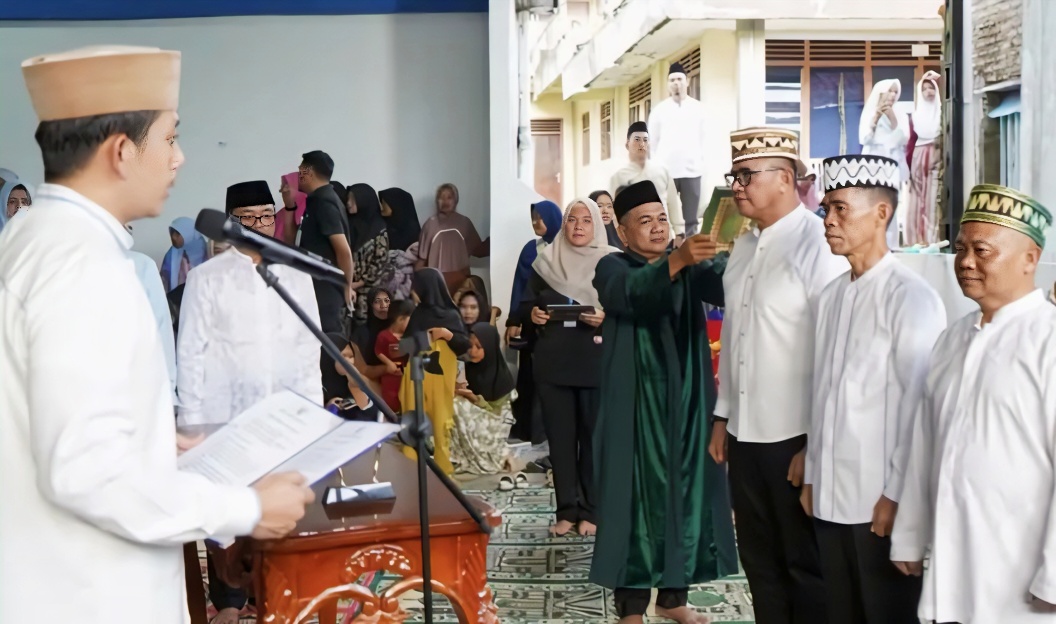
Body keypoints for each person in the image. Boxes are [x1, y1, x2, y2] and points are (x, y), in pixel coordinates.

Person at [0, 44, 313, 624]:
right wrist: (244, 507)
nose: (179, 159)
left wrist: (150, 440)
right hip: (89, 594)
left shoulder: (36, 238)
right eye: (170, 138)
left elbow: (41, 418)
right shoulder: (82, 264)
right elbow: (90, 474)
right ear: (121, 151)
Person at [891, 184, 1056, 624]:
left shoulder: (1049, 341)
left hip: (1026, 579)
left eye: (983, 250)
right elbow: (924, 446)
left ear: (1030, 259)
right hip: (953, 561)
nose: (966, 262)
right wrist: (909, 536)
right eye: (961, 248)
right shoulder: (953, 338)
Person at [708, 126, 847, 622]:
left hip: (795, 436)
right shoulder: (744, 247)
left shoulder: (819, 246)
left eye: (747, 175)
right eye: (735, 175)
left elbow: (833, 352)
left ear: (786, 179)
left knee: (805, 567)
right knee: (759, 562)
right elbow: (739, 340)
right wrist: (724, 417)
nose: (737, 186)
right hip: (746, 434)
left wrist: (816, 443)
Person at [801, 154, 945, 622]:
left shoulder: (912, 299)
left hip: (879, 502)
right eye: (827, 209)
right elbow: (822, 397)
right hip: (828, 496)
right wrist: (811, 477)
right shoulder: (831, 296)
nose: (829, 221)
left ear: (881, 213)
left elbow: (919, 410)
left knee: (884, 613)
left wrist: (898, 497)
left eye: (841, 208)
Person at [590, 180, 736, 624]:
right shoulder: (611, 267)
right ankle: (631, 607)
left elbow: (728, 287)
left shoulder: (689, 267)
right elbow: (632, 294)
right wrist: (678, 259)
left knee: (685, 496)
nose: (657, 228)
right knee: (633, 504)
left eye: (662, 219)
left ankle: (673, 598)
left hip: (689, 405)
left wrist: (727, 246)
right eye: (644, 221)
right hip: (633, 409)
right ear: (623, 232)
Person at [175, 180, 322, 427]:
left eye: (266, 215)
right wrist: (191, 421)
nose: (258, 225)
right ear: (231, 223)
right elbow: (191, 353)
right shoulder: (206, 277)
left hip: (286, 412)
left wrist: (314, 409)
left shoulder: (297, 275)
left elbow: (309, 347)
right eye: (248, 217)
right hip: (224, 415)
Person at [517, 197, 618, 537]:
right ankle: (566, 509)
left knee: (592, 441)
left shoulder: (611, 263)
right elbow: (526, 304)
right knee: (560, 441)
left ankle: (591, 510)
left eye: (585, 221)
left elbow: (626, 308)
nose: (577, 226)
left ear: (596, 225)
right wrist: (532, 314)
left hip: (594, 362)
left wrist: (607, 318)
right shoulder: (546, 261)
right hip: (554, 362)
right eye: (572, 219)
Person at [399, 268, 471, 474]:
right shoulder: (419, 314)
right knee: (413, 419)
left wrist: (446, 334)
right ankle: (410, 470)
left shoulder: (451, 314)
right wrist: (426, 338)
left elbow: (463, 346)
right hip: (416, 376)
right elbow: (405, 346)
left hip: (441, 378)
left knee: (441, 423)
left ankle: (444, 471)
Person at [506, 200, 562, 445]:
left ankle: (548, 433)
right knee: (528, 375)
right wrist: (513, 319)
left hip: (560, 323)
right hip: (531, 320)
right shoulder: (531, 249)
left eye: (540, 217)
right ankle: (526, 430)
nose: (535, 222)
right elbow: (520, 286)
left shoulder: (567, 248)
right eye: (533, 218)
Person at [291, 150, 355, 333]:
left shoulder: (324, 202)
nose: (298, 175)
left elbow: (343, 250)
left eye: (300, 170)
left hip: (324, 290)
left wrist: (346, 286)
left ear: (309, 172)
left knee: (326, 346)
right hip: (316, 287)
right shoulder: (318, 199)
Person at [648, 62, 708, 236]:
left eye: (680, 79)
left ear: (687, 82)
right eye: (672, 80)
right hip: (667, 172)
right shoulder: (659, 111)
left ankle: (690, 255)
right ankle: (669, 251)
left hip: (692, 171)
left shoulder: (698, 108)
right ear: (668, 84)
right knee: (666, 216)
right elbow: (653, 141)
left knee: (691, 219)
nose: (676, 83)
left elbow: (704, 139)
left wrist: (701, 163)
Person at [450, 322, 517, 475]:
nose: (473, 351)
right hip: (477, 417)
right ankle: (458, 456)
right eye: (471, 345)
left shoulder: (501, 377)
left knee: (457, 405)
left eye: (478, 347)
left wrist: (471, 397)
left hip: (496, 424)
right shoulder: (471, 367)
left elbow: (498, 414)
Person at [610, 121, 685, 241]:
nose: (642, 144)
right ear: (627, 144)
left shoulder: (662, 172)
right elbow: (614, 212)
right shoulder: (619, 177)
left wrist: (680, 233)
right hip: (635, 239)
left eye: (645, 140)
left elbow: (673, 203)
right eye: (637, 139)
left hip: (664, 236)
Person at [860, 79, 909, 249]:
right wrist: (876, 117)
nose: (893, 95)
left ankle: (891, 244)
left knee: (890, 201)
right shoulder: (870, 110)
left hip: (892, 163)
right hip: (873, 162)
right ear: (881, 92)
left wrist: (892, 117)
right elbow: (864, 138)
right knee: (872, 202)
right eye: (890, 91)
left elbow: (904, 138)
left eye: (896, 92)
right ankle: (871, 243)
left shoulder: (900, 111)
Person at [417, 182, 489, 294]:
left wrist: (497, 240)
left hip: (461, 282)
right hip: (437, 283)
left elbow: (478, 250)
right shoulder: (430, 225)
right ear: (437, 201)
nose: (445, 201)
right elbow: (421, 260)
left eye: (449, 197)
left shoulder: (464, 223)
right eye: (441, 197)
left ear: (456, 200)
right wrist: (416, 287)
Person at [130, 246, 177, 402]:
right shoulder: (140, 264)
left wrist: (169, 387)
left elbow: (161, 327)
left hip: (135, 381)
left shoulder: (141, 264)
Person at [906, 71, 942, 246]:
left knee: (932, 198)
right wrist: (907, 167)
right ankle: (915, 240)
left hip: (936, 154)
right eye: (924, 89)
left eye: (931, 88)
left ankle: (932, 239)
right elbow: (911, 142)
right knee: (916, 199)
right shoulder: (915, 115)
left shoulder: (942, 113)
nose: (928, 92)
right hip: (918, 156)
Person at [347, 183, 392, 322]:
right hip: (348, 292)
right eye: (348, 199)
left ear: (364, 201)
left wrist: (357, 284)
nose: (348, 203)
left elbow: (380, 263)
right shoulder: (348, 225)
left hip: (368, 295)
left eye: (353, 200)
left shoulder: (378, 229)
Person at [322, 333, 385, 423]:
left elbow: (369, 412)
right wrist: (328, 408)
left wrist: (355, 386)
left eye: (351, 356)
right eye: (343, 356)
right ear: (328, 357)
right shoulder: (315, 382)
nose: (348, 361)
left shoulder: (352, 380)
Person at [378, 187, 420, 299]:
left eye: (384, 203)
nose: (381, 207)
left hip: (406, 285)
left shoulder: (411, 228)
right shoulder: (383, 225)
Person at [375, 299, 413, 413]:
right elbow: (378, 351)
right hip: (391, 376)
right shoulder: (384, 336)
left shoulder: (409, 337)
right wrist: (388, 363)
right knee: (391, 398)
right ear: (400, 319)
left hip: (406, 377)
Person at [161, 215, 208, 292]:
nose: (173, 237)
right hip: (177, 301)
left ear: (188, 233)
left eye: (177, 234)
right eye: (171, 233)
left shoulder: (209, 251)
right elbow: (164, 282)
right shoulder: (171, 255)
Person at [275, 171, 306, 246]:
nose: (281, 190)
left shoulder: (310, 213)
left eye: (287, 186)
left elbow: (292, 244)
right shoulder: (280, 214)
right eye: (282, 186)